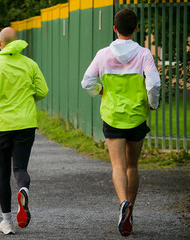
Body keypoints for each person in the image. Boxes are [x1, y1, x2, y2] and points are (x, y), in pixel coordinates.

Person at [81, 8, 160, 237]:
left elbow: (87, 82)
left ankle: (122, 202)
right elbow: (154, 84)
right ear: (136, 28)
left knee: (117, 165)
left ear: (115, 29)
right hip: (136, 116)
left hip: (113, 116)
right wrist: (152, 104)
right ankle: (130, 212)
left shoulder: (103, 54)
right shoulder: (144, 54)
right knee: (132, 166)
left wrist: (100, 90)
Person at [0, 27, 48, 235]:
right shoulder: (30, 64)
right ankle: (23, 190)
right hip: (25, 124)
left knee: (3, 173)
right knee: (20, 169)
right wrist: (27, 99)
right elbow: (43, 90)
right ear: (16, 42)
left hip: (0, 125)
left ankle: (7, 223)